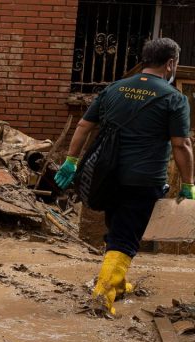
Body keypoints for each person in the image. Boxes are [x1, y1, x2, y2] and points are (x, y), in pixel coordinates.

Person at [54, 37, 193, 317]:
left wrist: (70, 161)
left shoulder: (114, 88)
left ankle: (116, 284)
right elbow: (181, 145)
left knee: (117, 228)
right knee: (125, 239)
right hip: (143, 181)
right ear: (170, 64)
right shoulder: (173, 98)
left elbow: (83, 126)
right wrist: (189, 183)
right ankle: (102, 295)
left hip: (106, 176)